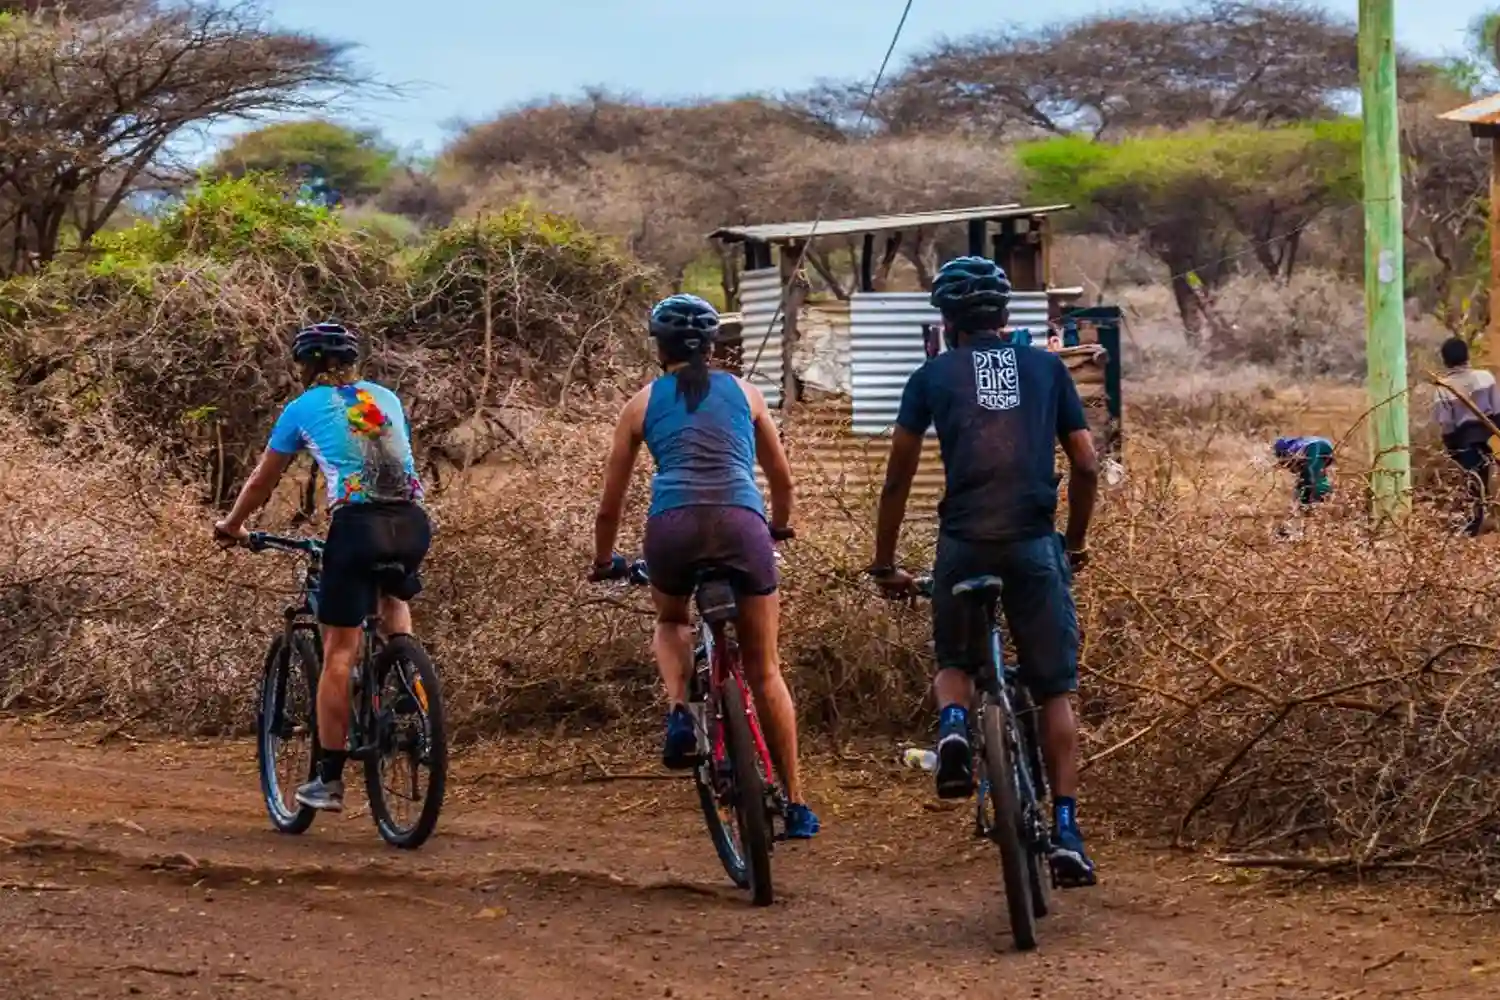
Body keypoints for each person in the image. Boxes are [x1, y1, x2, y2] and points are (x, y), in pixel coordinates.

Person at [866, 256, 1100, 887]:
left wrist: (885, 563)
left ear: (946, 320)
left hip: (964, 544)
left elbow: (897, 480)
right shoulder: (1047, 368)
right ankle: (1069, 831)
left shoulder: (930, 376)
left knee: (955, 661)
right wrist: (1072, 543)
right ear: (1005, 315)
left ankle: (951, 731)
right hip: (1032, 546)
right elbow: (1085, 464)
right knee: (1054, 691)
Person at [588, 294, 819, 839]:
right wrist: (778, 527)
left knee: (671, 621)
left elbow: (609, 505)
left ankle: (680, 712)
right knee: (765, 671)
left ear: (658, 347)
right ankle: (797, 803)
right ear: (713, 346)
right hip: (743, 526)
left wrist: (604, 561)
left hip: (673, 530)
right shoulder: (747, 393)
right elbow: (782, 483)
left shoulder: (640, 404)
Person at [213, 322, 430, 813]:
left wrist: (231, 526)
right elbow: (385, 463)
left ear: (305, 366)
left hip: (357, 528)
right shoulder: (381, 397)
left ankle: (328, 781)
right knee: (393, 604)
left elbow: (261, 483)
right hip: (412, 523)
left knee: (339, 651)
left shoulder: (302, 408)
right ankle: (417, 706)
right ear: (353, 362)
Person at [1434, 336, 1499, 537]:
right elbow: (1498, 410)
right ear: (1467, 356)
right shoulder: (1485, 377)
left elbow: (1446, 425)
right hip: (1492, 436)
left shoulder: (1442, 388)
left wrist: (1452, 450)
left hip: (1465, 443)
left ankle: (1474, 527)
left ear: (1445, 361)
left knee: (1474, 484)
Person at [1271, 436, 1335, 510]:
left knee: (1310, 471)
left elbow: (1307, 471)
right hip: (1323, 448)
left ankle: (1311, 501)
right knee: (1313, 477)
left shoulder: (1287, 449)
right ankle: (1324, 497)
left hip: (1317, 446)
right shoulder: (1293, 450)